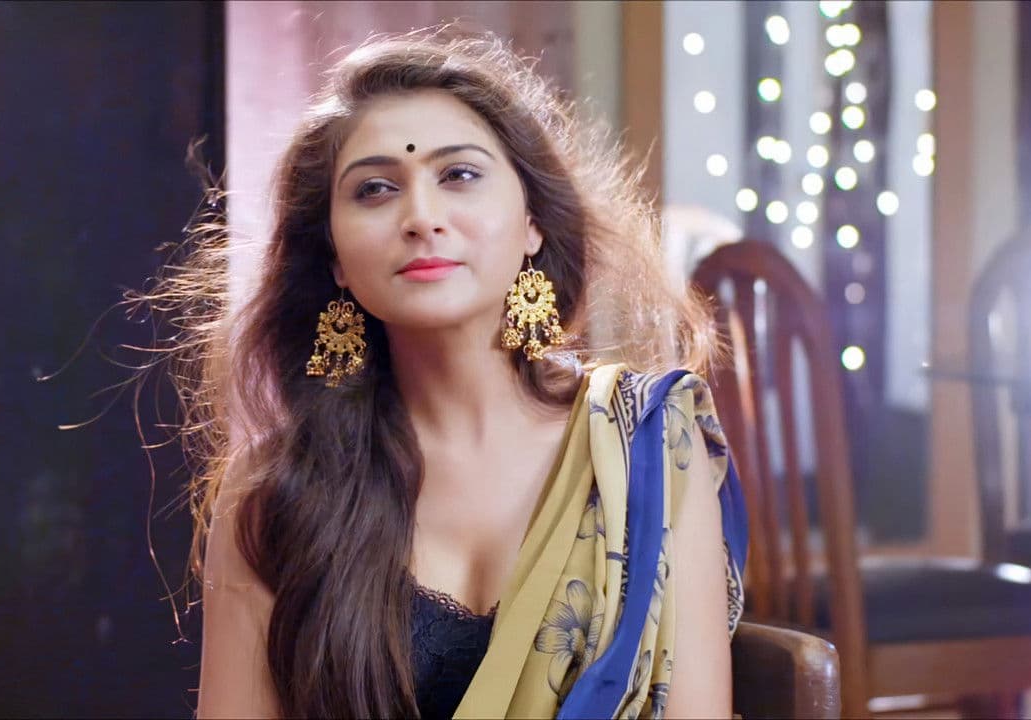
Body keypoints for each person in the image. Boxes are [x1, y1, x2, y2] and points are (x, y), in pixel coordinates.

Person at [158, 28, 747, 719]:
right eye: (375, 189)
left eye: (459, 175)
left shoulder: (646, 450)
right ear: (335, 258)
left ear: (532, 223)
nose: (421, 217)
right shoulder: (278, 495)